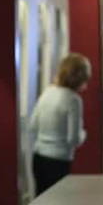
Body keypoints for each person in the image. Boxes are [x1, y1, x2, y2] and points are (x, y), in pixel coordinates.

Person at [30, 53, 91, 196]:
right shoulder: (73, 100)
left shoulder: (48, 92)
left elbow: (33, 125)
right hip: (58, 162)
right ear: (80, 78)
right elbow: (73, 139)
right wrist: (84, 134)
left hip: (38, 158)